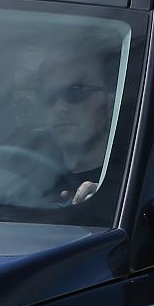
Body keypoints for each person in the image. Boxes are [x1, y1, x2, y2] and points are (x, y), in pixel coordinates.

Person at [36, 35, 121, 205]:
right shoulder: (25, 174)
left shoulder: (132, 183)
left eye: (76, 91)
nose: (60, 107)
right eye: (49, 96)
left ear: (111, 102)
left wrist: (107, 200)